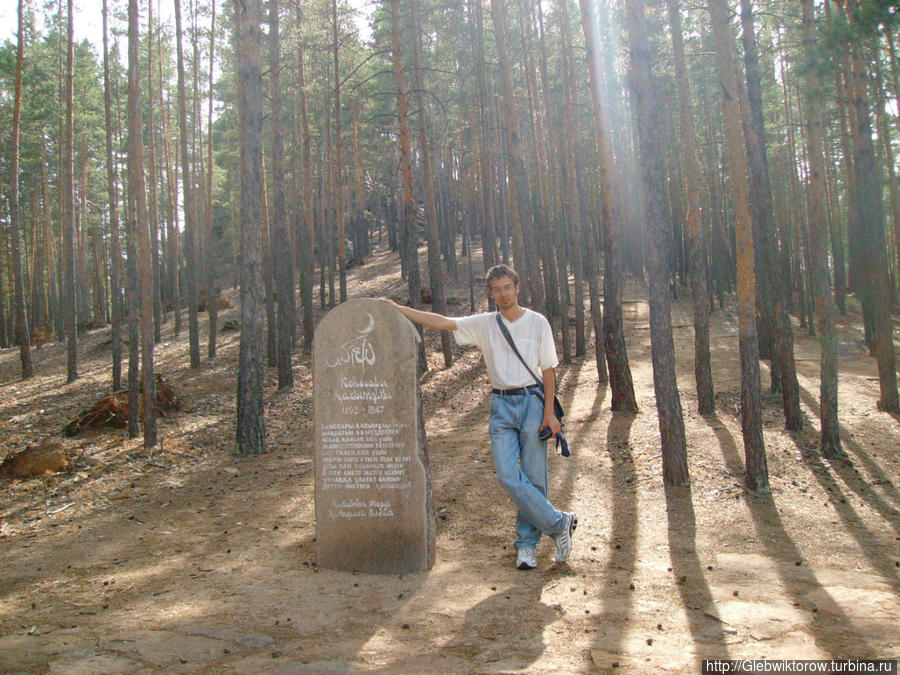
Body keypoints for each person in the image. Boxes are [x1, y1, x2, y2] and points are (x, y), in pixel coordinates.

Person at [382, 264, 577, 569]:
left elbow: (549, 371)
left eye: (507, 287)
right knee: (508, 476)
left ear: (517, 288)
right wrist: (401, 309)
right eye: (496, 289)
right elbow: (444, 322)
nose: (503, 294)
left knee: (535, 477)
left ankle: (526, 546)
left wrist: (550, 414)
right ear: (491, 293)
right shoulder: (485, 324)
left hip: (533, 403)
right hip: (501, 405)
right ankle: (558, 522)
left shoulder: (537, 323)